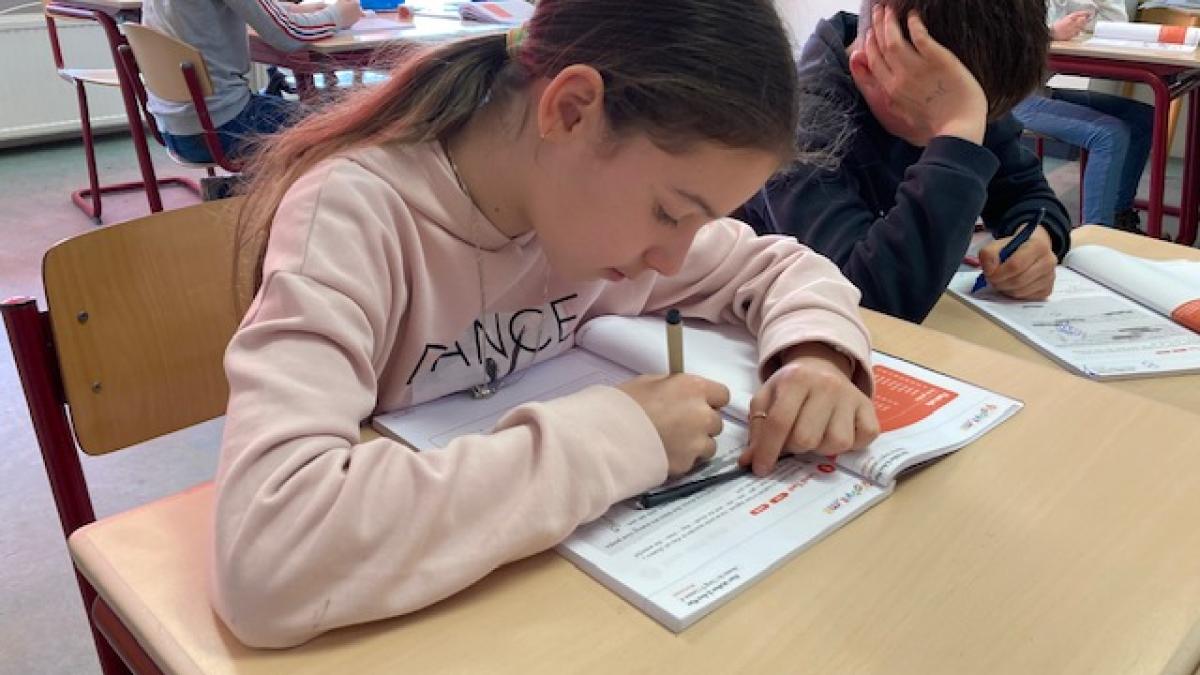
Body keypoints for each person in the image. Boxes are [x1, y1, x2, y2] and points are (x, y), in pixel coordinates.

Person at [215, 0, 881, 648]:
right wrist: (623, 434)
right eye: (673, 212)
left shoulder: (587, 220)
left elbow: (784, 266)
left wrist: (816, 356)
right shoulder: (353, 216)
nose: (673, 257)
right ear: (569, 111)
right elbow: (268, 555)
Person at [739, 0, 1073, 324]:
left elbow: (1029, 194)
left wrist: (1036, 239)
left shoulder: (957, 89)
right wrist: (956, 135)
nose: (975, 125)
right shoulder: (801, 127)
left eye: (977, 115)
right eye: (948, 119)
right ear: (869, 67)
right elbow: (866, 302)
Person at [142, 0, 363, 164]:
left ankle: (243, 190)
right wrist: (339, 15)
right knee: (347, 126)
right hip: (223, 128)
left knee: (312, 113)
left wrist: (293, 10)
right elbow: (289, 34)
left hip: (177, 130)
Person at [1012, 1, 1153, 233]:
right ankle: (1096, 239)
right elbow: (993, 41)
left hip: (1037, 89)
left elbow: (1114, 24)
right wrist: (1051, 33)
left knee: (1142, 118)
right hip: (1007, 97)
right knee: (1109, 134)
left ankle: (1118, 215)